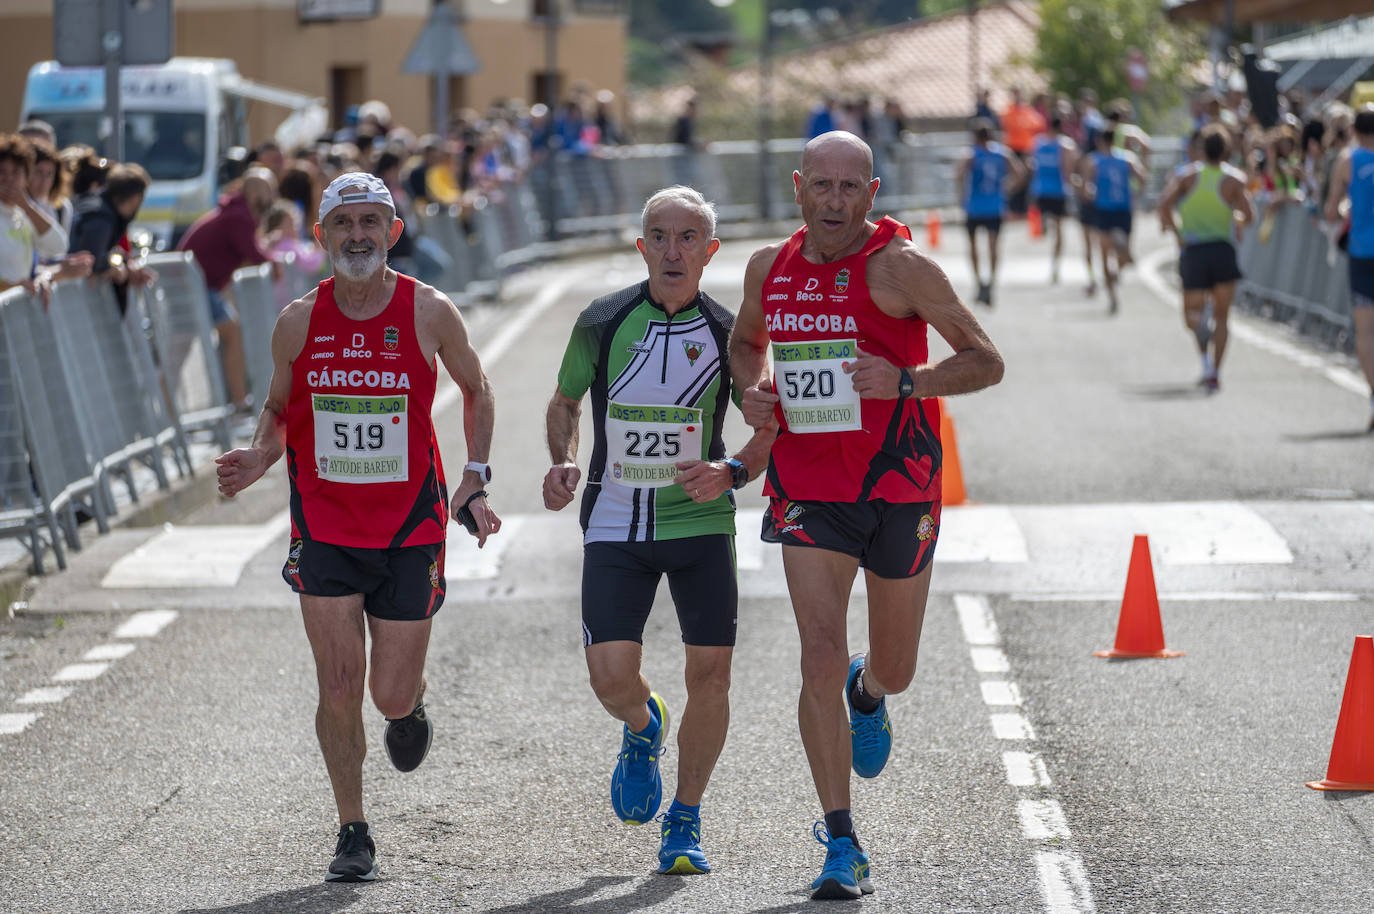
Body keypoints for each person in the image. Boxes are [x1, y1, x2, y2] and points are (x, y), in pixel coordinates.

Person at [728, 132, 1004, 900]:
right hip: (808, 487)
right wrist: (753, 395)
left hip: (898, 484)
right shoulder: (767, 268)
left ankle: (870, 692)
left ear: (873, 193)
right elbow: (746, 344)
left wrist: (907, 380)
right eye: (824, 186)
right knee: (817, 650)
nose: (836, 201)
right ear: (799, 188)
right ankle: (841, 840)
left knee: (897, 666)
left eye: (852, 188)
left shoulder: (901, 267)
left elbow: (987, 359)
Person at [214, 172, 500, 883]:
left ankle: (410, 707)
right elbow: (279, 411)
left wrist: (477, 473)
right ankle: (352, 829)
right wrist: (258, 453)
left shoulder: (429, 310)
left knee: (388, 695)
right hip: (326, 523)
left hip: (409, 527)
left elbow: (477, 387)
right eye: (344, 224)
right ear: (322, 237)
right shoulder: (298, 321)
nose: (358, 236)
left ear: (393, 232)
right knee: (338, 683)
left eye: (372, 222)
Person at [543, 186, 774, 876]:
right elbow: (565, 401)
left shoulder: (732, 336)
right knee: (611, 679)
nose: (674, 250)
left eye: (689, 237)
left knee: (712, 673)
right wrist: (562, 459)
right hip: (615, 521)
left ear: (710, 251)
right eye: (660, 236)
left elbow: (766, 431)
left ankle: (686, 816)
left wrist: (732, 470)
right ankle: (644, 728)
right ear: (641, 246)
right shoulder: (603, 321)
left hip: (700, 520)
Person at [1158, 124, 1254, 393]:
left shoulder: (1187, 177)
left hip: (1194, 251)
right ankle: (1215, 372)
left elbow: (1164, 205)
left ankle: (1204, 360)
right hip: (1223, 251)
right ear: (1226, 151)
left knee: (1191, 315)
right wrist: (1234, 218)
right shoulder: (1235, 180)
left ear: (1201, 150)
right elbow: (1250, 216)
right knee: (1223, 317)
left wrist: (1177, 233)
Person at [177, 166, 280, 412]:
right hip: (196, 286)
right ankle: (238, 399)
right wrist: (273, 263)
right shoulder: (239, 216)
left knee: (181, 350)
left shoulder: (237, 212)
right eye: (269, 191)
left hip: (197, 285)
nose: (273, 198)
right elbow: (253, 253)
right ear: (256, 193)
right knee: (230, 334)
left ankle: (235, 399)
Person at [1325, 106, 1374, 431]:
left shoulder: (1347, 160)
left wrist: (1345, 208)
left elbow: (1330, 210)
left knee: (1366, 333)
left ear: (1354, 131)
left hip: (1362, 253)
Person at [69, 162, 156, 314]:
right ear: (135, 198)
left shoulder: (97, 205)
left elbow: (105, 252)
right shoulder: (101, 218)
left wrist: (119, 261)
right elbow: (91, 259)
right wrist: (116, 269)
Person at [956, 119, 1026, 306]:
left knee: (973, 246)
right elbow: (1020, 172)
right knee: (993, 246)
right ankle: (991, 282)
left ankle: (979, 281)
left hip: (975, 206)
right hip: (995, 205)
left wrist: (961, 196)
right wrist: (1006, 188)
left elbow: (959, 174)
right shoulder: (1002, 153)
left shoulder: (971, 154)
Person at [1083, 127, 1147, 314]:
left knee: (1105, 254)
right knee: (1124, 254)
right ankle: (1115, 281)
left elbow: (1086, 186)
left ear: (1100, 141)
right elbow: (1143, 178)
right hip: (1123, 209)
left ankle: (1112, 290)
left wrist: (1089, 193)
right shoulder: (1127, 158)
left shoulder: (1093, 160)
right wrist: (1135, 194)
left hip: (1104, 210)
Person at [0, 133, 69, 293]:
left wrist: (27, 207)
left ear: (26, 178)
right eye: (2, 171)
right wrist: (9, 287)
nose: (9, 179)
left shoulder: (23, 215)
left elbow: (58, 247)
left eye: (16, 172)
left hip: (15, 315)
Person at [1030, 114, 1078, 285]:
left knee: (1048, 227)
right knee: (1059, 231)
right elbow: (1068, 170)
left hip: (1041, 189)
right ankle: (1055, 265)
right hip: (1058, 191)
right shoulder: (1065, 145)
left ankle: (1044, 221)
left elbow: (1033, 164)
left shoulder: (1038, 142)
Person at [1000, 87, 1046, 216]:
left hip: (1026, 150)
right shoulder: (1008, 110)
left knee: (1026, 178)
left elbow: (1038, 124)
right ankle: (1012, 207)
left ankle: (1023, 208)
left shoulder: (1027, 110)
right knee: (1015, 177)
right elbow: (1011, 125)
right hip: (1013, 149)